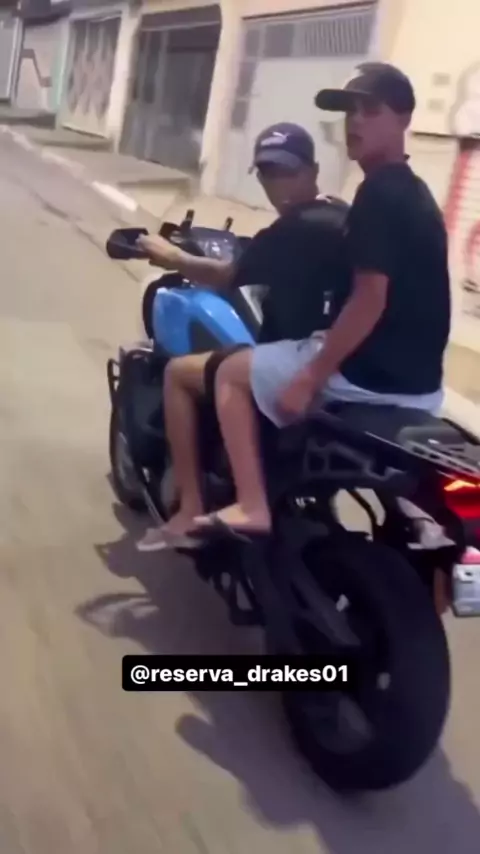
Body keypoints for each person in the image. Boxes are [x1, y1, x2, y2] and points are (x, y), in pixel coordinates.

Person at [190, 62, 453, 548]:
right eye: (349, 111)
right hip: (422, 387)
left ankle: (251, 505)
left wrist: (311, 376)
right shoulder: (416, 193)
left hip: (369, 378)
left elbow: (371, 298)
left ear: (403, 118)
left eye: (370, 109)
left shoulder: (378, 193)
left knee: (229, 373)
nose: (355, 121)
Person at [135, 122, 351, 550]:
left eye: (288, 171)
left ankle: (189, 509)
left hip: (304, 358)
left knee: (179, 373)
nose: (278, 183)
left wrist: (172, 256)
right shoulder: (339, 215)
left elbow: (228, 275)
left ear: (312, 170)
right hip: (346, 361)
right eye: (269, 172)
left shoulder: (295, 228)